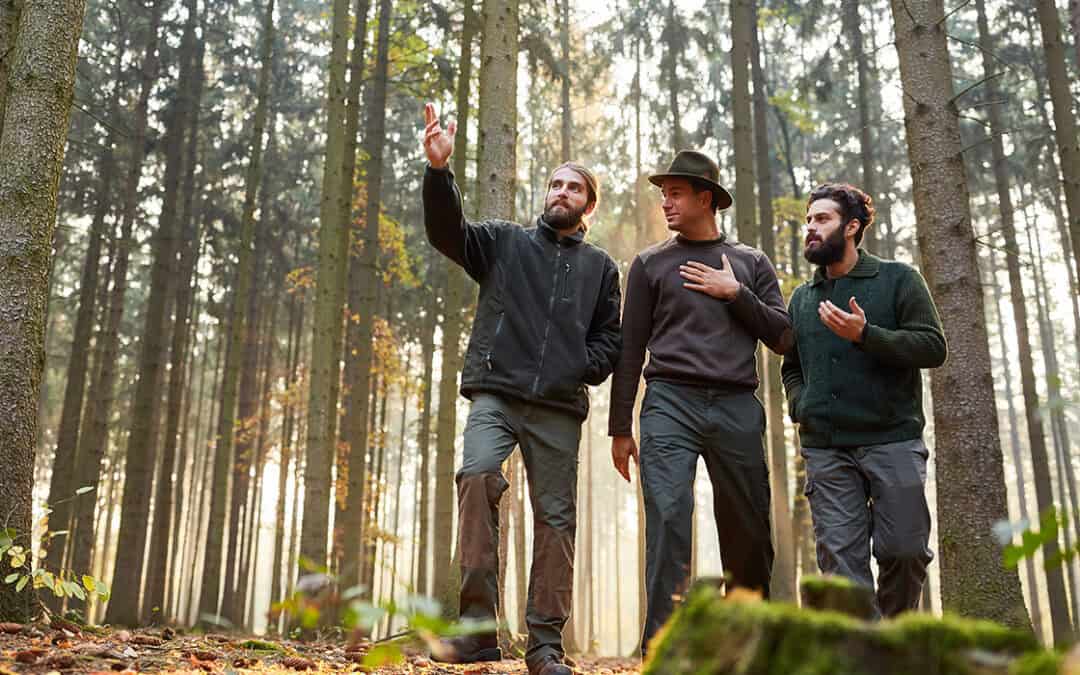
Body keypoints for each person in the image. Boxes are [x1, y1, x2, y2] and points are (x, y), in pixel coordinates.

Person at [421, 103, 621, 675]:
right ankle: (478, 628)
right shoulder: (504, 242)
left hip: (558, 408)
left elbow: (612, 338)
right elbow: (447, 232)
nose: (561, 192)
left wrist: (575, 366)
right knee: (479, 476)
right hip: (496, 393)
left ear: (587, 204)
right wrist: (439, 173)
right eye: (555, 183)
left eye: (573, 187)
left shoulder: (601, 268)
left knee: (555, 522)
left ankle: (545, 647)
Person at [608, 150, 792, 654]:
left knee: (748, 529)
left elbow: (784, 337)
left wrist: (736, 293)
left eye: (675, 193)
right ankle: (663, 649)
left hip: (736, 404)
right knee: (668, 515)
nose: (665, 202)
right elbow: (629, 349)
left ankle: (747, 647)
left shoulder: (751, 262)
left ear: (704, 198)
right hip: (669, 401)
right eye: (662, 194)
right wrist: (620, 427)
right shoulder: (649, 264)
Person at [781, 183, 947, 618]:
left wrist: (866, 335)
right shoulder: (802, 298)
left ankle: (893, 643)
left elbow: (933, 346)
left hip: (893, 440)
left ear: (852, 227)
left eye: (822, 219)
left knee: (906, 552)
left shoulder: (898, 279)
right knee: (842, 569)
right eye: (808, 220)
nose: (811, 229)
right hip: (826, 450)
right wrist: (800, 403)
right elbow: (792, 365)